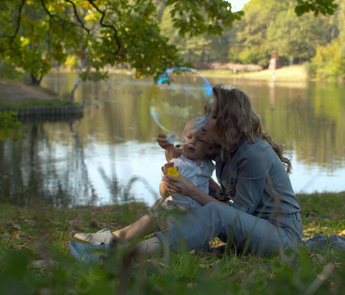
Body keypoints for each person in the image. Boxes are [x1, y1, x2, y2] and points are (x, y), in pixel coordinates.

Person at [69, 85, 302, 262]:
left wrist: (192, 191)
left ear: (227, 121)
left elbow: (240, 213)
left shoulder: (252, 153)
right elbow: (189, 153)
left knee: (214, 212)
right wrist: (171, 150)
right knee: (171, 203)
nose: (202, 119)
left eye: (210, 114)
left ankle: (121, 258)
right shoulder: (222, 145)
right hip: (251, 228)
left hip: (281, 235)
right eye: (205, 112)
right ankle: (115, 239)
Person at [69, 117, 221, 257]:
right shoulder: (178, 163)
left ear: (209, 148)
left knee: (191, 241)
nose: (192, 142)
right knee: (175, 240)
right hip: (177, 211)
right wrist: (167, 187)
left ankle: (210, 248)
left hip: (196, 213)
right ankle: (113, 246)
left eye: (199, 140)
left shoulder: (208, 165)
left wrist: (217, 188)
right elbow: (164, 190)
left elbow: (205, 178)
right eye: (188, 137)